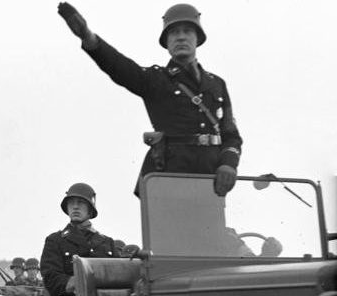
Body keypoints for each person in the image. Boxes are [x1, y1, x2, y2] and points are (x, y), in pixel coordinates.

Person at [57, 3, 242, 197]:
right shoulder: (156, 79)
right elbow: (120, 67)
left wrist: (228, 163)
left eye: (187, 31)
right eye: (173, 33)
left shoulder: (217, 84)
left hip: (210, 181)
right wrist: (88, 37)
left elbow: (231, 134)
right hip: (169, 178)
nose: (180, 37)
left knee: (211, 227)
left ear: (198, 39)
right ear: (167, 42)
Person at [40, 183, 120, 296]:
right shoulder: (55, 241)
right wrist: (76, 283)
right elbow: (51, 277)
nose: (75, 207)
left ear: (90, 209)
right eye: (71, 203)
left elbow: (118, 277)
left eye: (81, 202)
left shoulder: (107, 242)